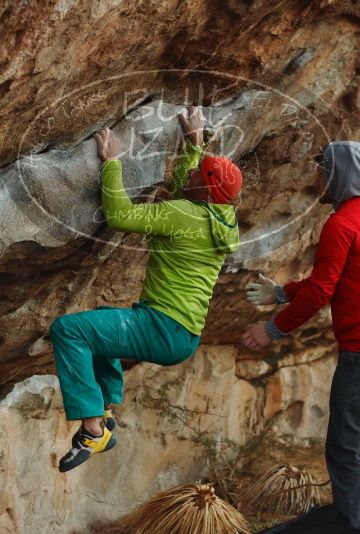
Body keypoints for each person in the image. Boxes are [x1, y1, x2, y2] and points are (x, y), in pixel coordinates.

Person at [240, 141, 360, 532]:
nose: (317, 177)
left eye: (322, 169)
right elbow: (334, 280)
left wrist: (271, 328)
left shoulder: (340, 224)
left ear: (338, 175)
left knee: (344, 447)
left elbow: (322, 291)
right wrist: (281, 292)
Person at [51, 107, 243, 472]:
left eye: (200, 175)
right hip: (181, 334)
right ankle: (105, 410)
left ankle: (93, 429)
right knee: (100, 327)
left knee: (69, 330)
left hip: (160, 327)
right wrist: (195, 144)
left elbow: (120, 216)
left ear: (204, 190)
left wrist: (112, 162)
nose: (189, 176)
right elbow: (191, 182)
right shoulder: (223, 217)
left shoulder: (184, 213)